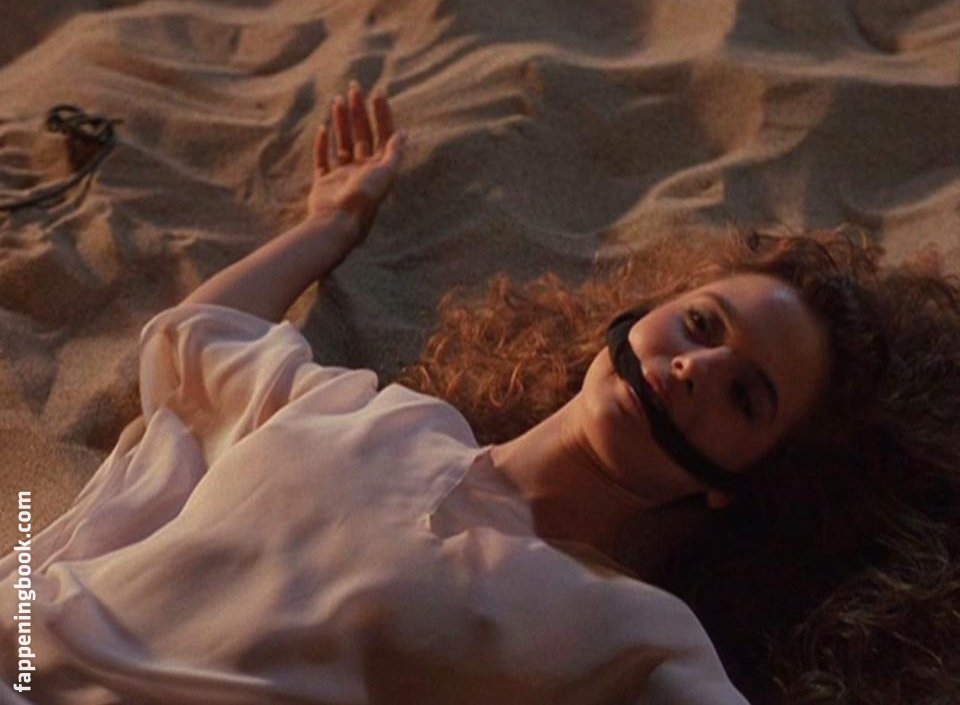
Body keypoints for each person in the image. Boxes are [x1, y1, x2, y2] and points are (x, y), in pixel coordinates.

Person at [1, 81, 957, 704]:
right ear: (641, 313)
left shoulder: (626, 626)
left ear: (736, 482)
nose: (693, 369)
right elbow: (200, 335)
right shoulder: (381, 415)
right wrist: (333, 225)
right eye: (701, 324)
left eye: (746, 396)